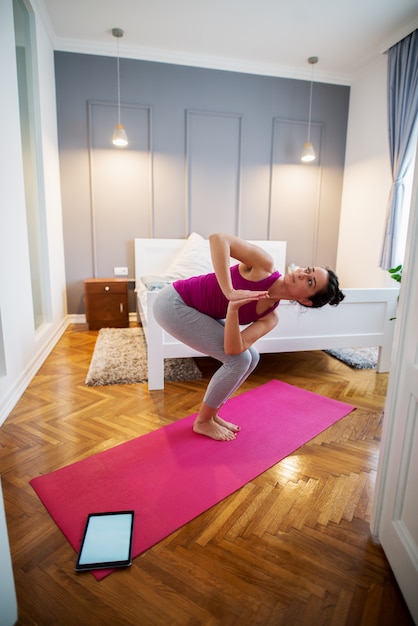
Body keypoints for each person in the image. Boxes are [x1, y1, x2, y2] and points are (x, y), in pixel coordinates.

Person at [153, 233, 345, 442]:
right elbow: (218, 239)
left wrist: (233, 310)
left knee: (251, 357)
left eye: (309, 281)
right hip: (174, 303)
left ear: (306, 301)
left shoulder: (270, 318)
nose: (301, 274)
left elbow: (234, 348)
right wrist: (229, 292)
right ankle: (203, 421)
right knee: (240, 361)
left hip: (197, 311)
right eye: (307, 270)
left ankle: (212, 415)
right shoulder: (264, 266)